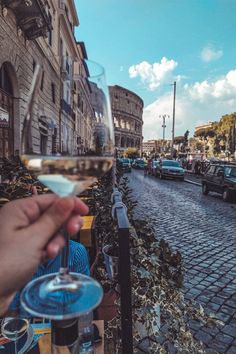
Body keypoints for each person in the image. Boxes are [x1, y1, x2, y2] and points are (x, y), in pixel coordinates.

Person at [0, 194, 89, 316]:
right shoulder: (21, 251)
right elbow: (14, 294)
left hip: (60, 318)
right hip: (28, 319)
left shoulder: (77, 252)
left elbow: (80, 294)